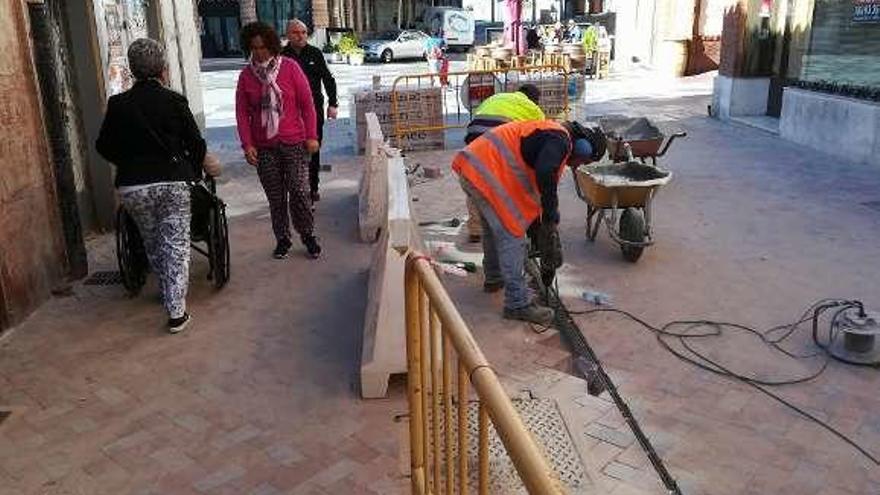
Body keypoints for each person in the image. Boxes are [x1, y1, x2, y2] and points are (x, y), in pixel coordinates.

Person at [96, 38, 206, 333]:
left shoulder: (117, 105)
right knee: (177, 243)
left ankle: (166, 290)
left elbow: (103, 145)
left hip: (134, 186)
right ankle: (176, 311)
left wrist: (128, 162)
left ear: (132, 70)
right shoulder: (173, 100)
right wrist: (193, 172)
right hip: (172, 181)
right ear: (162, 68)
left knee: (153, 240)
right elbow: (196, 143)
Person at [452, 120, 606, 325]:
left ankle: (494, 278)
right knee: (512, 235)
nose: (578, 165)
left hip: (473, 167)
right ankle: (517, 304)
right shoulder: (561, 140)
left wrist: (541, 223)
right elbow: (545, 173)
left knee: (492, 228)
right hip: (484, 171)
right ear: (583, 146)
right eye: (584, 160)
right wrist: (550, 217)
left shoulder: (550, 133)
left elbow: (533, 180)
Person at [236, 22, 321, 260]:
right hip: (264, 147)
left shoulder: (291, 68)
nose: (260, 53)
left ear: (273, 46)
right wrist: (247, 144)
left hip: (294, 141)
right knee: (275, 196)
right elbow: (242, 113)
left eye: (263, 47)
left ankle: (307, 234)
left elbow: (307, 105)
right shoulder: (246, 77)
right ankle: (282, 238)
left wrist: (312, 135)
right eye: (254, 48)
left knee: (300, 190)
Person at [463, 84, 545, 243]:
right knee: (513, 179)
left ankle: (475, 229)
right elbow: (541, 138)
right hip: (498, 138)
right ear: (534, 99)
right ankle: (518, 220)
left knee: (476, 179)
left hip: (474, 136)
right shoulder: (534, 109)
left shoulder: (497, 97)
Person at [282, 19, 338, 203]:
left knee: (313, 149)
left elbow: (328, 79)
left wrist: (333, 103)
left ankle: (312, 188)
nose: (301, 36)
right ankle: (296, 189)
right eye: (296, 33)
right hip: (289, 114)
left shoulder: (315, 53)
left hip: (314, 111)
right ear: (288, 35)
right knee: (292, 152)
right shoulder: (282, 56)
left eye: (304, 32)